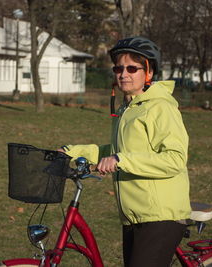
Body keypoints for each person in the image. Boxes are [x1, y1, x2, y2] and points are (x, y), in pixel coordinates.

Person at [59, 36, 191, 267]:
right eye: (118, 68)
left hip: (160, 215)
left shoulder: (160, 107)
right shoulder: (127, 109)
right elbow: (115, 151)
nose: (123, 74)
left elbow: (175, 159)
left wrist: (121, 159)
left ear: (148, 72)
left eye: (132, 68)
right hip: (134, 215)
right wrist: (71, 151)